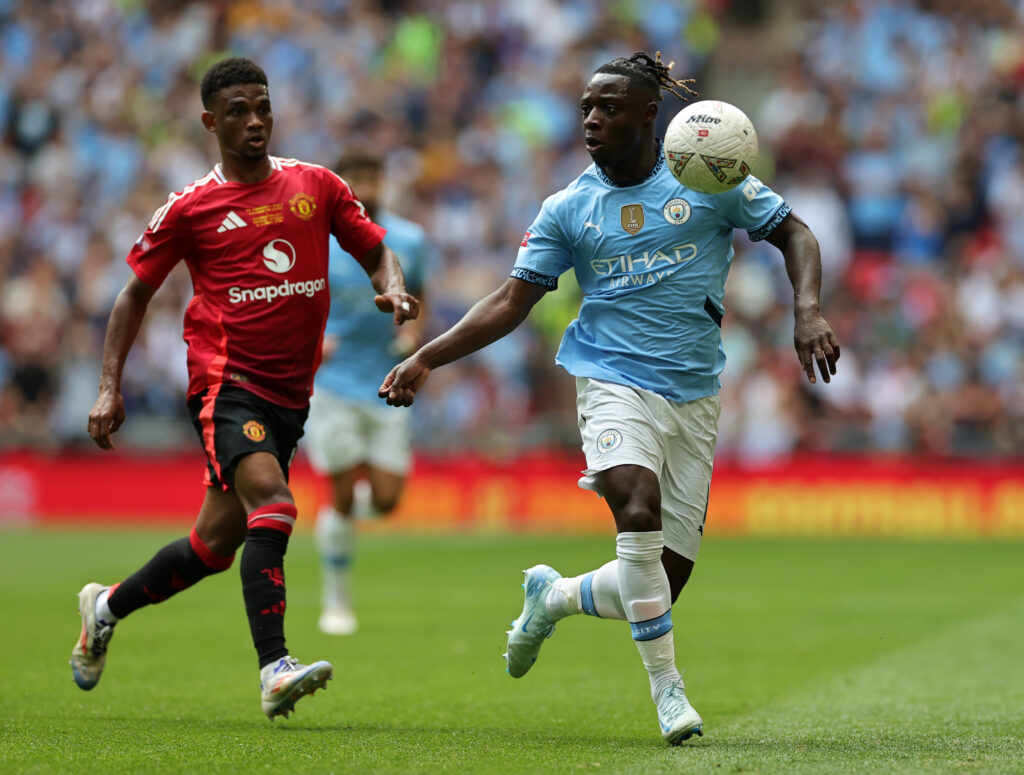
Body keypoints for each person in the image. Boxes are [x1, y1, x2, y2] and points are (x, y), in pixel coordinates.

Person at [379, 52, 839, 745]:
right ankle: (669, 691)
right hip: (610, 381)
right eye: (587, 106)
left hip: (693, 395)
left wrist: (806, 308)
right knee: (635, 506)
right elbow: (511, 301)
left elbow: (795, 231)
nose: (592, 119)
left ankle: (554, 596)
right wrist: (427, 356)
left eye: (610, 107)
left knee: (655, 581)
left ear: (650, 115)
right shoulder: (569, 208)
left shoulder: (706, 175)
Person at [70, 57, 420, 720]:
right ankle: (273, 667)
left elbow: (376, 247)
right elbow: (132, 294)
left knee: (211, 547)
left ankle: (106, 606)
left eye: (262, 106)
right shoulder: (190, 208)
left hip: (292, 396)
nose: (255, 121)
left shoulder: (316, 186)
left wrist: (391, 284)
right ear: (210, 120)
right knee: (276, 502)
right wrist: (107, 386)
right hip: (227, 384)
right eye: (238, 110)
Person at [304, 147, 431, 636]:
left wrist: (414, 335)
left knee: (386, 499)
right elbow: (297, 296)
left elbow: (422, 291)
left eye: (374, 176)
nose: (368, 186)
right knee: (339, 494)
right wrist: (316, 339)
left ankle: (333, 524)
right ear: (344, 184)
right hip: (332, 383)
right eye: (357, 178)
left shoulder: (409, 239)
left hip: (386, 380)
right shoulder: (318, 238)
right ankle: (336, 600)